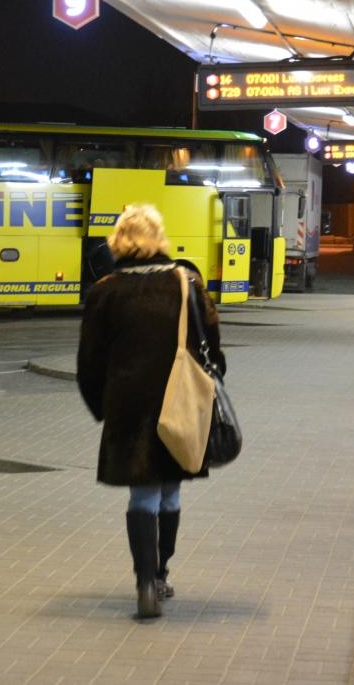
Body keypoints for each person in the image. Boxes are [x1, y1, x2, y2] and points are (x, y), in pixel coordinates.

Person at [76, 203, 225, 619]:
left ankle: (143, 583)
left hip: (128, 406)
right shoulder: (186, 283)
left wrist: (101, 406)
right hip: (178, 401)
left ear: (118, 241)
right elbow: (212, 342)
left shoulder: (104, 291)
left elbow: (89, 360)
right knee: (170, 491)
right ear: (159, 238)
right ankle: (160, 573)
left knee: (142, 494)